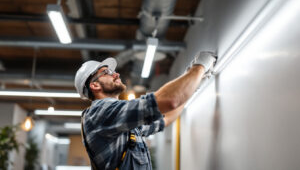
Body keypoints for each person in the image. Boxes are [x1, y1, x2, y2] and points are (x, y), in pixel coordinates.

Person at [74, 51, 216, 170]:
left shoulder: (120, 122)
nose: (116, 74)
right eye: (107, 72)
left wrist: (193, 87)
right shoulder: (101, 112)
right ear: (95, 85)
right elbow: (169, 100)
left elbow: (165, 118)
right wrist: (198, 68)